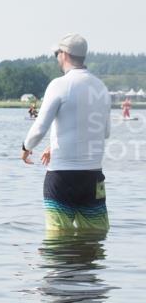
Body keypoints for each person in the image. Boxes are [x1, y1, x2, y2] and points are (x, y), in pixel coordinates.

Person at [22, 33, 111, 234]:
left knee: (58, 239)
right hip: (93, 177)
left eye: (57, 53)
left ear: (64, 54)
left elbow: (39, 127)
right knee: (95, 238)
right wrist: (53, 144)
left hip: (62, 176)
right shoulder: (101, 87)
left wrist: (26, 147)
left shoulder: (59, 85)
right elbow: (104, 132)